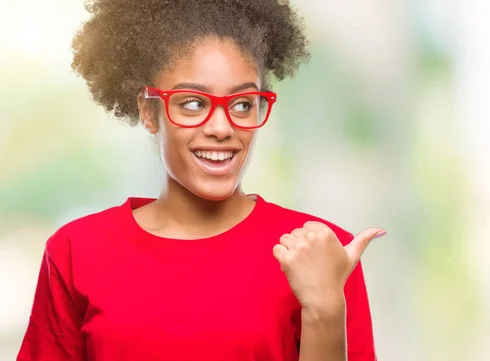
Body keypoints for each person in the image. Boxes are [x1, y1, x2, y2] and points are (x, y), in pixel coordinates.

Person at [17, 0, 385, 360]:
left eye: (242, 104)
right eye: (193, 103)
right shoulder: (77, 252)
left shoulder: (320, 251)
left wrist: (324, 308)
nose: (222, 128)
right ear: (149, 111)